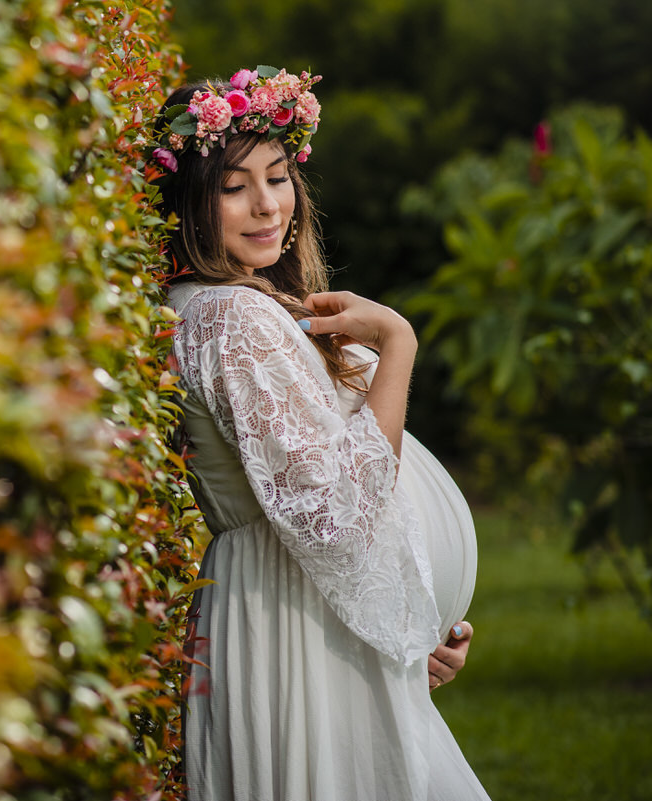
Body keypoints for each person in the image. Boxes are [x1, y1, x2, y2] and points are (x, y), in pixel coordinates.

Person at [148, 67, 491, 800]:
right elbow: (340, 514)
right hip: (298, 626)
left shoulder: (225, 304)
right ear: (189, 202)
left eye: (278, 177)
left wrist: (410, 625)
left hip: (321, 609)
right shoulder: (230, 318)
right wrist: (397, 342)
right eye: (234, 186)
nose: (266, 204)